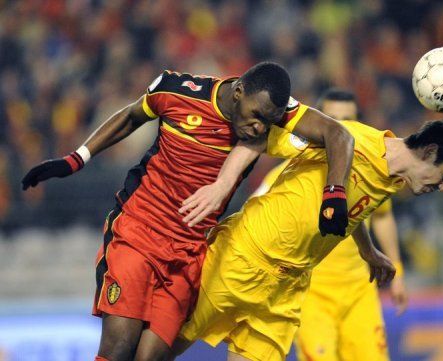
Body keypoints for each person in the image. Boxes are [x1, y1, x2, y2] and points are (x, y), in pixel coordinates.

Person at [21, 62, 355, 361]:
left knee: (152, 357)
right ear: (238, 92)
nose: (258, 128)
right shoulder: (177, 90)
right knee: (118, 347)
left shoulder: (274, 112)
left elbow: (339, 134)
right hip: (138, 232)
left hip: (188, 252)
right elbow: (132, 115)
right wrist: (76, 158)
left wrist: (335, 192)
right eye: (255, 116)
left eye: (267, 122)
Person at [170, 116, 443, 361]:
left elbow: (348, 210)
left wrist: (367, 251)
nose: (442, 186)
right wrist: (222, 185)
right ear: (430, 151)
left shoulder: (394, 180)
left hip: (286, 287)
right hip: (244, 257)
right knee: (164, 346)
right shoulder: (345, 139)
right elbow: (262, 138)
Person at [254, 88, 408, 361]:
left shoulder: (372, 174)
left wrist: (398, 272)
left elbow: (383, 217)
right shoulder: (286, 176)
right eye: (333, 120)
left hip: (360, 291)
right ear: (317, 122)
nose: (341, 129)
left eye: (348, 120)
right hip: (311, 294)